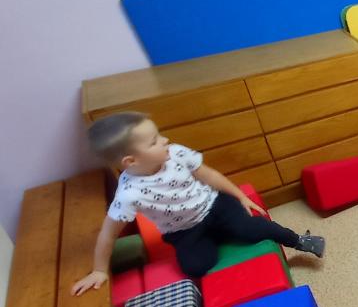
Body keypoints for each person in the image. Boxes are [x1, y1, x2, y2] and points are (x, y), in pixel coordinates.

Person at [70, 112, 324, 295]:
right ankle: (217, 236)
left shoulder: (176, 153)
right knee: (197, 266)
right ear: (131, 161)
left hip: (215, 205)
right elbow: (107, 234)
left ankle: (299, 240)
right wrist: (99, 270)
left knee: (254, 229)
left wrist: (240, 196)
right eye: (154, 141)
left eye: (159, 135)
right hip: (184, 230)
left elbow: (208, 175)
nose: (165, 140)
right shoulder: (129, 194)